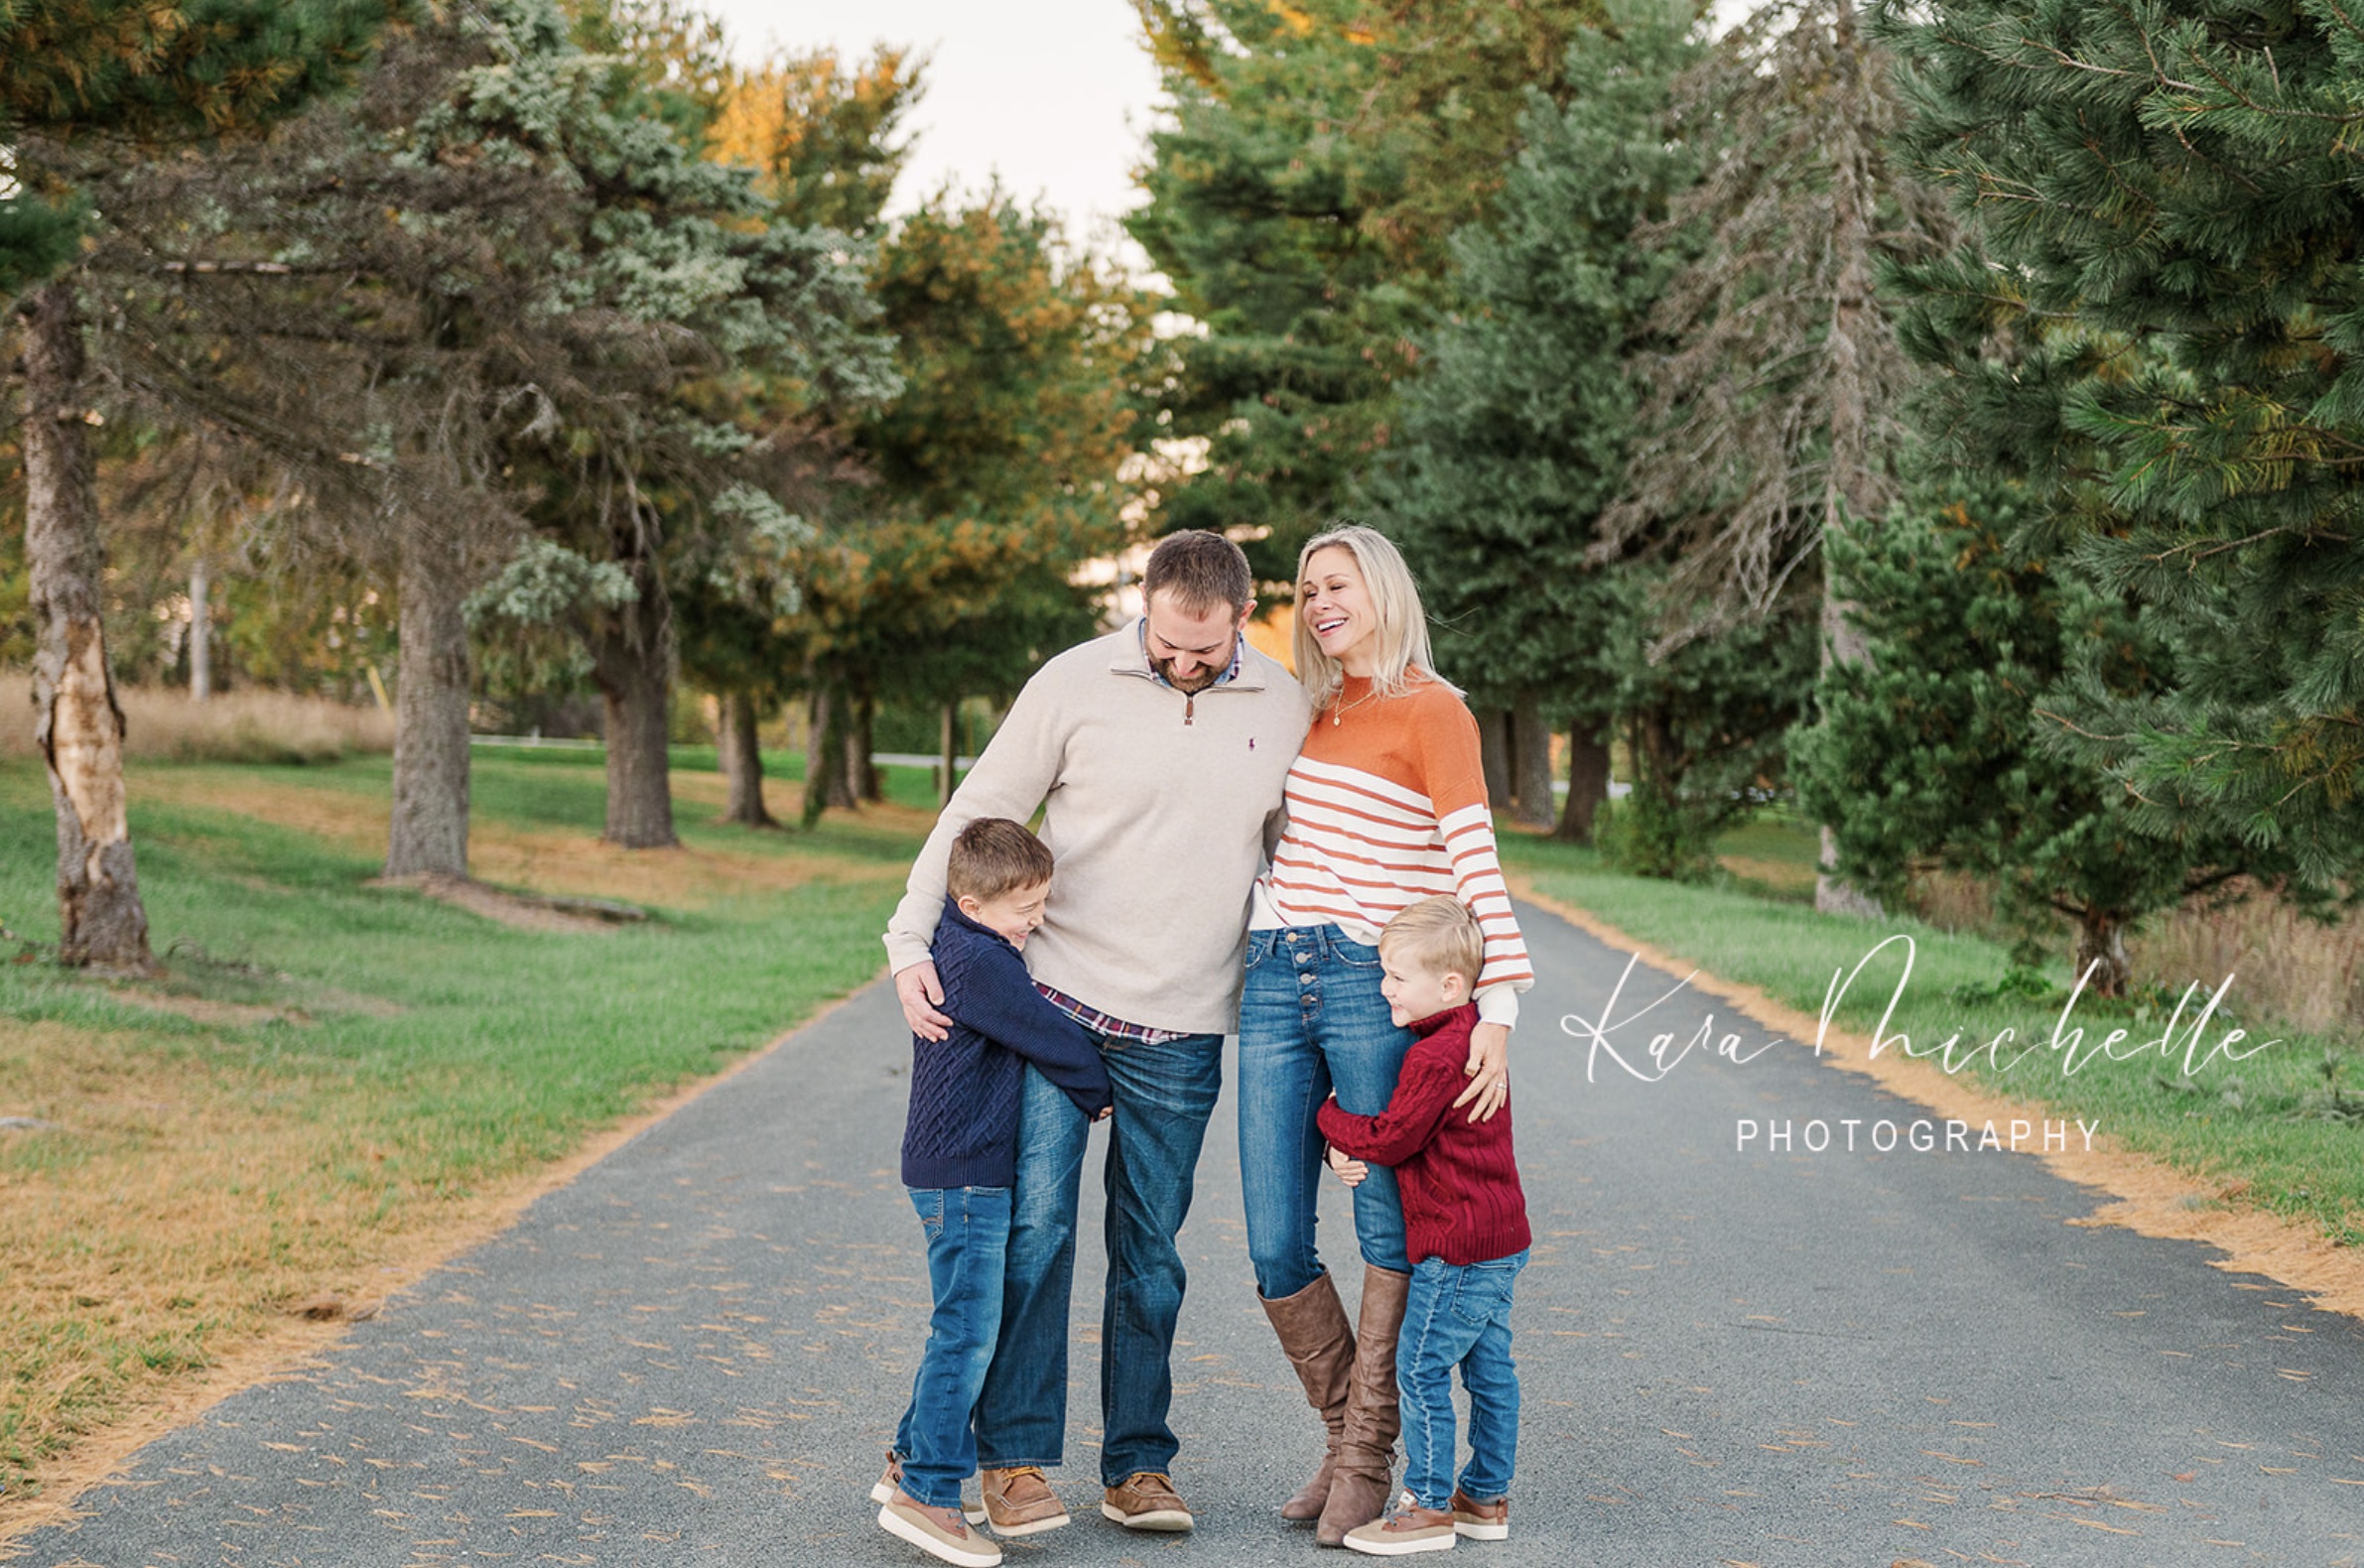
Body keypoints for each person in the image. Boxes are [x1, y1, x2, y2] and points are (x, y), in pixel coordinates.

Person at [883, 531, 1311, 1534]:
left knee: (1151, 1249)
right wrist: (911, 938)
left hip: (1186, 1024)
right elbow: (979, 807)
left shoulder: (1285, 701)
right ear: (1147, 606)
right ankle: (1016, 1457)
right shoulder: (1074, 681)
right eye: (1169, 640)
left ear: (1241, 618)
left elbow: (1300, 846)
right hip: (1057, 1005)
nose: (1185, 660)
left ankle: (1138, 1464)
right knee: (1034, 1232)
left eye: (1204, 647)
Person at [1238, 522, 1531, 1544]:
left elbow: (1474, 863)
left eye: (1339, 583)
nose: (1320, 601)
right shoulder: (1308, 709)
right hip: (1276, 976)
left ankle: (1369, 1459)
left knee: (1383, 1224)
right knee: (1274, 1234)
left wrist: (1497, 1004)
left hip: (1371, 980)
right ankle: (1342, 1435)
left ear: (1384, 588)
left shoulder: (1433, 707)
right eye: (1308, 587)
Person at [875, 819, 1114, 1568]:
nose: (1037, 920)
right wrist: (1097, 1089)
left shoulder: (971, 941)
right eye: (1026, 908)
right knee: (967, 1332)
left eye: (1042, 902)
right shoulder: (980, 961)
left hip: (960, 1171)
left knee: (965, 1322)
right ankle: (931, 1493)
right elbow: (1045, 1032)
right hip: (965, 1175)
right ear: (973, 905)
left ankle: (909, 1461)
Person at [1317, 896, 1530, 1555]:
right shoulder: (1460, 1038)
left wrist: (1330, 1119)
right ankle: (1485, 1495)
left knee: (1419, 1366)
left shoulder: (1436, 1058)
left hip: (1457, 1245)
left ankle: (1430, 1502)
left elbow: (1392, 1138)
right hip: (1498, 1238)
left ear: (1450, 984)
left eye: (1396, 977)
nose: (1384, 988)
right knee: (1490, 1370)